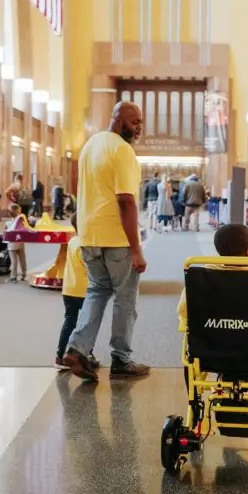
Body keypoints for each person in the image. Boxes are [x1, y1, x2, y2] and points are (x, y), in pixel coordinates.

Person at [62, 100, 149, 381]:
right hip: (116, 240)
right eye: (134, 122)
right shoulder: (122, 151)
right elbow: (126, 202)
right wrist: (136, 249)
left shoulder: (91, 145)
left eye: (141, 123)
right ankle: (121, 360)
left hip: (89, 236)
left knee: (97, 292)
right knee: (125, 298)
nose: (138, 128)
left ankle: (77, 348)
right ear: (117, 119)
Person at [53, 213, 100, 371]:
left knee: (70, 322)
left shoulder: (73, 241)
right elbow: (90, 268)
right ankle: (86, 355)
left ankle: (59, 357)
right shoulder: (85, 245)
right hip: (84, 290)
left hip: (69, 289)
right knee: (89, 324)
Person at [5, 204, 28, 282]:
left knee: (14, 261)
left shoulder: (7, 223)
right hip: (20, 243)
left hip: (11, 245)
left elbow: (5, 234)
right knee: (22, 259)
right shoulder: (22, 221)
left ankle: (13, 276)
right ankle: (24, 274)